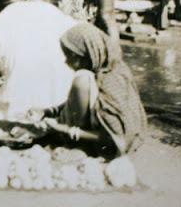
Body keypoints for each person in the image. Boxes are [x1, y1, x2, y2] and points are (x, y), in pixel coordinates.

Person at [31, 22, 146, 159]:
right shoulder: (114, 68)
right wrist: (48, 111)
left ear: (87, 55)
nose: (66, 62)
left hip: (106, 148)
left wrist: (64, 129)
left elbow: (114, 136)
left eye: (70, 56)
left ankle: (82, 148)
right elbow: (79, 102)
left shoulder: (103, 81)